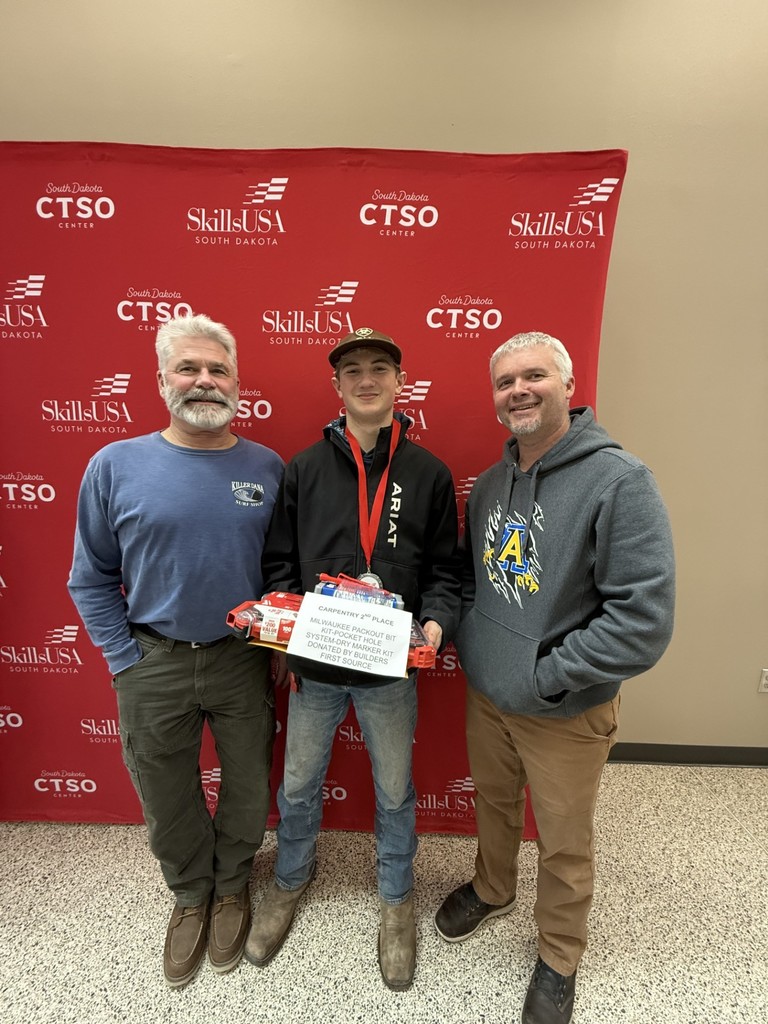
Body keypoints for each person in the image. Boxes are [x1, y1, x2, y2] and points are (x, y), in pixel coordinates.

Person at [435, 332, 675, 1024]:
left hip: (564, 707)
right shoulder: (491, 485)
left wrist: (546, 676)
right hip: (490, 693)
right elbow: (474, 581)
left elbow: (642, 623)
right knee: (494, 803)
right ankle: (493, 887)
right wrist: (479, 650)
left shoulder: (621, 482)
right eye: (505, 381)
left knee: (565, 841)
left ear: (568, 386)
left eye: (534, 376)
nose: (519, 390)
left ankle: (559, 956)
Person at [68, 314, 284, 989]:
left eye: (218, 370)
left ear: (237, 383)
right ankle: (191, 894)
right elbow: (90, 576)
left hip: (242, 659)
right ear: (162, 380)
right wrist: (122, 658)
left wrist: (278, 641)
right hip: (151, 658)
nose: (204, 380)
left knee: (248, 781)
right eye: (189, 368)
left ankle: (233, 885)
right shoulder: (114, 465)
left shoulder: (268, 468)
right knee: (164, 790)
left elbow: (282, 571)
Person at [244, 327, 461, 990]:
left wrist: (436, 621)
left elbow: (446, 570)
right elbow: (279, 563)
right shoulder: (305, 468)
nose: (367, 380)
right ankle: (289, 880)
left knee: (394, 789)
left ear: (400, 382)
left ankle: (396, 898)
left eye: (380, 369)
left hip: (389, 666)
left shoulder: (428, 472)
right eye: (353, 371)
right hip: (317, 663)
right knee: (298, 784)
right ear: (336, 386)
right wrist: (286, 637)